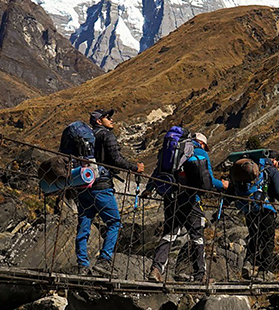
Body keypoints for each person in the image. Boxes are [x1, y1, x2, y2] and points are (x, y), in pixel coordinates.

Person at [149, 132, 228, 282]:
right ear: (202, 143)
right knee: (197, 236)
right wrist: (223, 185)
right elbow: (208, 180)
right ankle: (200, 275)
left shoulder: (173, 151)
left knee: (170, 233)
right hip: (190, 200)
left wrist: (148, 189)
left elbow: (158, 171)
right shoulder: (199, 152)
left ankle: (156, 269)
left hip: (170, 198)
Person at [75, 109, 143, 276]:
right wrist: (135, 167)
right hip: (102, 185)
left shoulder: (84, 136)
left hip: (84, 184)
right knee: (114, 223)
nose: (112, 119)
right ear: (99, 121)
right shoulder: (107, 135)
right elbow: (116, 160)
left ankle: (82, 264)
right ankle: (104, 261)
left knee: (84, 223)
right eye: (107, 117)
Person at [228, 151, 279, 280]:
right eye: (277, 162)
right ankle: (264, 272)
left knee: (254, 236)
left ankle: (248, 263)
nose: (277, 164)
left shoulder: (250, 169)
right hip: (266, 209)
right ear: (274, 160)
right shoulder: (271, 170)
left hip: (248, 208)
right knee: (267, 238)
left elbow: (232, 189)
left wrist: (225, 204)